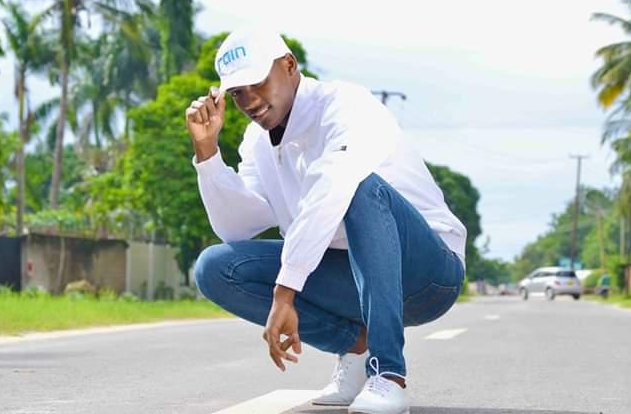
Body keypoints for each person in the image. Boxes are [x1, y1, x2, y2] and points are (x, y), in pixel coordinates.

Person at [187, 28, 467, 414]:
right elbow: (237, 227)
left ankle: (388, 374)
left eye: (257, 82)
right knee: (216, 267)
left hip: (427, 276)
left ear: (289, 65)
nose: (249, 100)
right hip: (352, 277)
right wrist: (207, 153)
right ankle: (355, 347)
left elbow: (330, 191)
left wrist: (285, 292)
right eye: (237, 93)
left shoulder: (347, 105)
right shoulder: (256, 142)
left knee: (357, 187)